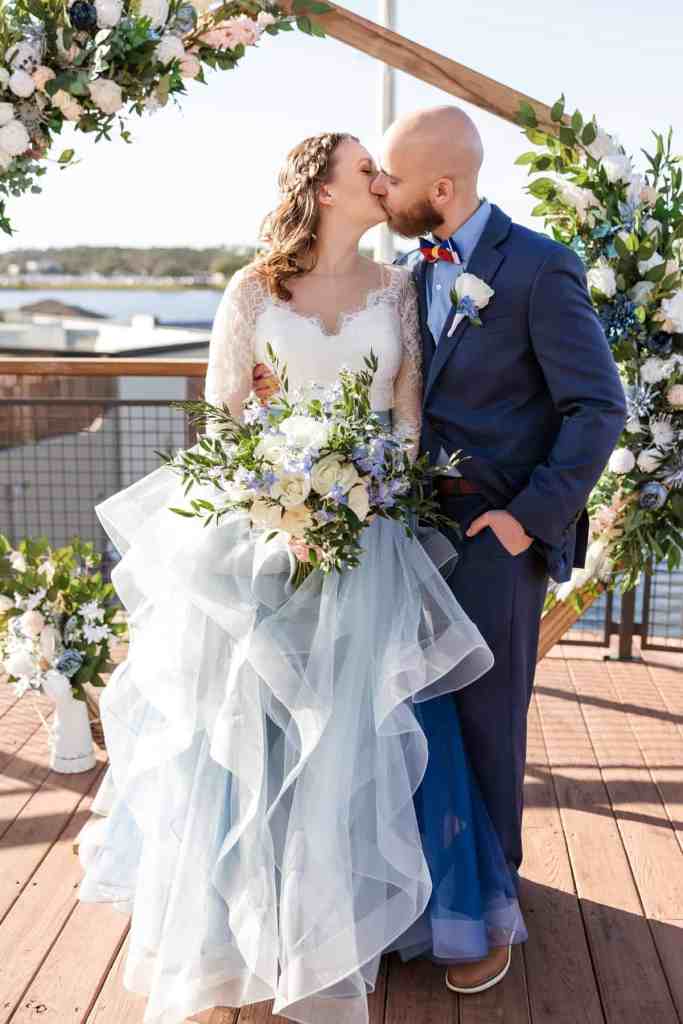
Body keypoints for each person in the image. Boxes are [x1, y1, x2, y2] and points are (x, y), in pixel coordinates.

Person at [76, 131, 528, 1024]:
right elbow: (225, 422)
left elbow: (404, 422)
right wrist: (278, 504)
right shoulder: (252, 289)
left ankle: (397, 912)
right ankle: (248, 925)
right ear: (323, 190)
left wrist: (360, 499)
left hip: (370, 541)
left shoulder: (398, 290)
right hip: (261, 540)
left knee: (385, 722)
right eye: (365, 168)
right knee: (254, 731)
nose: (380, 179)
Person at [368, 105, 626, 993]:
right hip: (402, 537)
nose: (382, 192)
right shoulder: (406, 272)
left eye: (394, 180)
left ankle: (492, 912)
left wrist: (525, 519)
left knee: (484, 726)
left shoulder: (539, 268)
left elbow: (597, 407)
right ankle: (421, 902)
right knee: (409, 723)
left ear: (441, 187)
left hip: (490, 539)